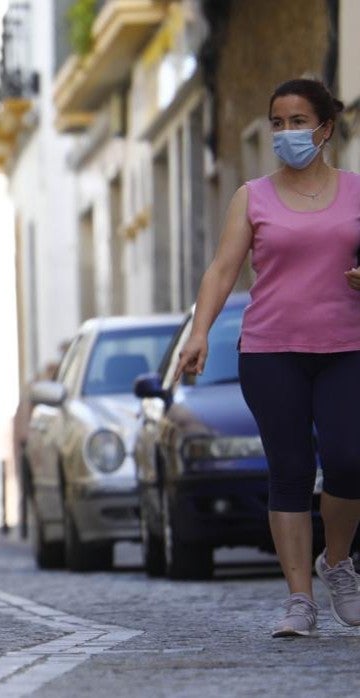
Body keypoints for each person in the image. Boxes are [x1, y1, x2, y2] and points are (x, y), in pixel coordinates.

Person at [176, 78, 360, 638]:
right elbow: (222, 269)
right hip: (270, 349)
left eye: (298, 122)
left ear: (325, 129)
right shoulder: (252, 196)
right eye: (277, 123)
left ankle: (338, 561)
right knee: (289, 470)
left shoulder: (357, 191)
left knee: (350, 462)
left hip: (347, 347)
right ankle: (299, 599)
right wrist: (199, 332)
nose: (286, 134)